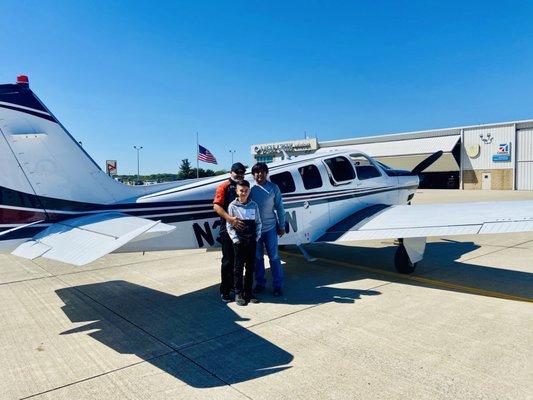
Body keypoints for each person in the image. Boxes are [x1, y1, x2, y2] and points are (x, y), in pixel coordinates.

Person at [249, 162, 286, 297]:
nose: (260, 174)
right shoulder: (251, 189)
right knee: (258, 258)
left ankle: (278, 286)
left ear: (266, 173)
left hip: (270, 228)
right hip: (256, 230)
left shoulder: (273, 188)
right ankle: (260, 284)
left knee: (274, 258)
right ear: (253, 175)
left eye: (262, 171)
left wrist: (281, 226)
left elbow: (280, 208)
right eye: (257, 172)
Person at [213, 162, 246, 302]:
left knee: (239, 261)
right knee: (227, 261)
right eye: (237, 172)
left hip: (242, 230)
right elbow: (216, 206)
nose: (239, 174)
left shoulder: (244, 187)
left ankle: (236, 287)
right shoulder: (223, 186)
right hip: (227, 229)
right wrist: (230, 219)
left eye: (242, 172)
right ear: (230, 172)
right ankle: (224, 290)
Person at [226, 180, 262, 306]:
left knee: (250, 267)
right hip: (239, 242)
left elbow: (258, 223)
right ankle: (238, 293)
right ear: (236, 191)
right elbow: (229, 225)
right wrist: (235, 240)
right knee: (238, 268)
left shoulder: (254, 205)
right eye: (241, 190)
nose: (244, 192)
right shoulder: (232, 206)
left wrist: (256, 237)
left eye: (246, 190)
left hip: (251, 241)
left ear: (249, 191)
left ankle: (248, 293)